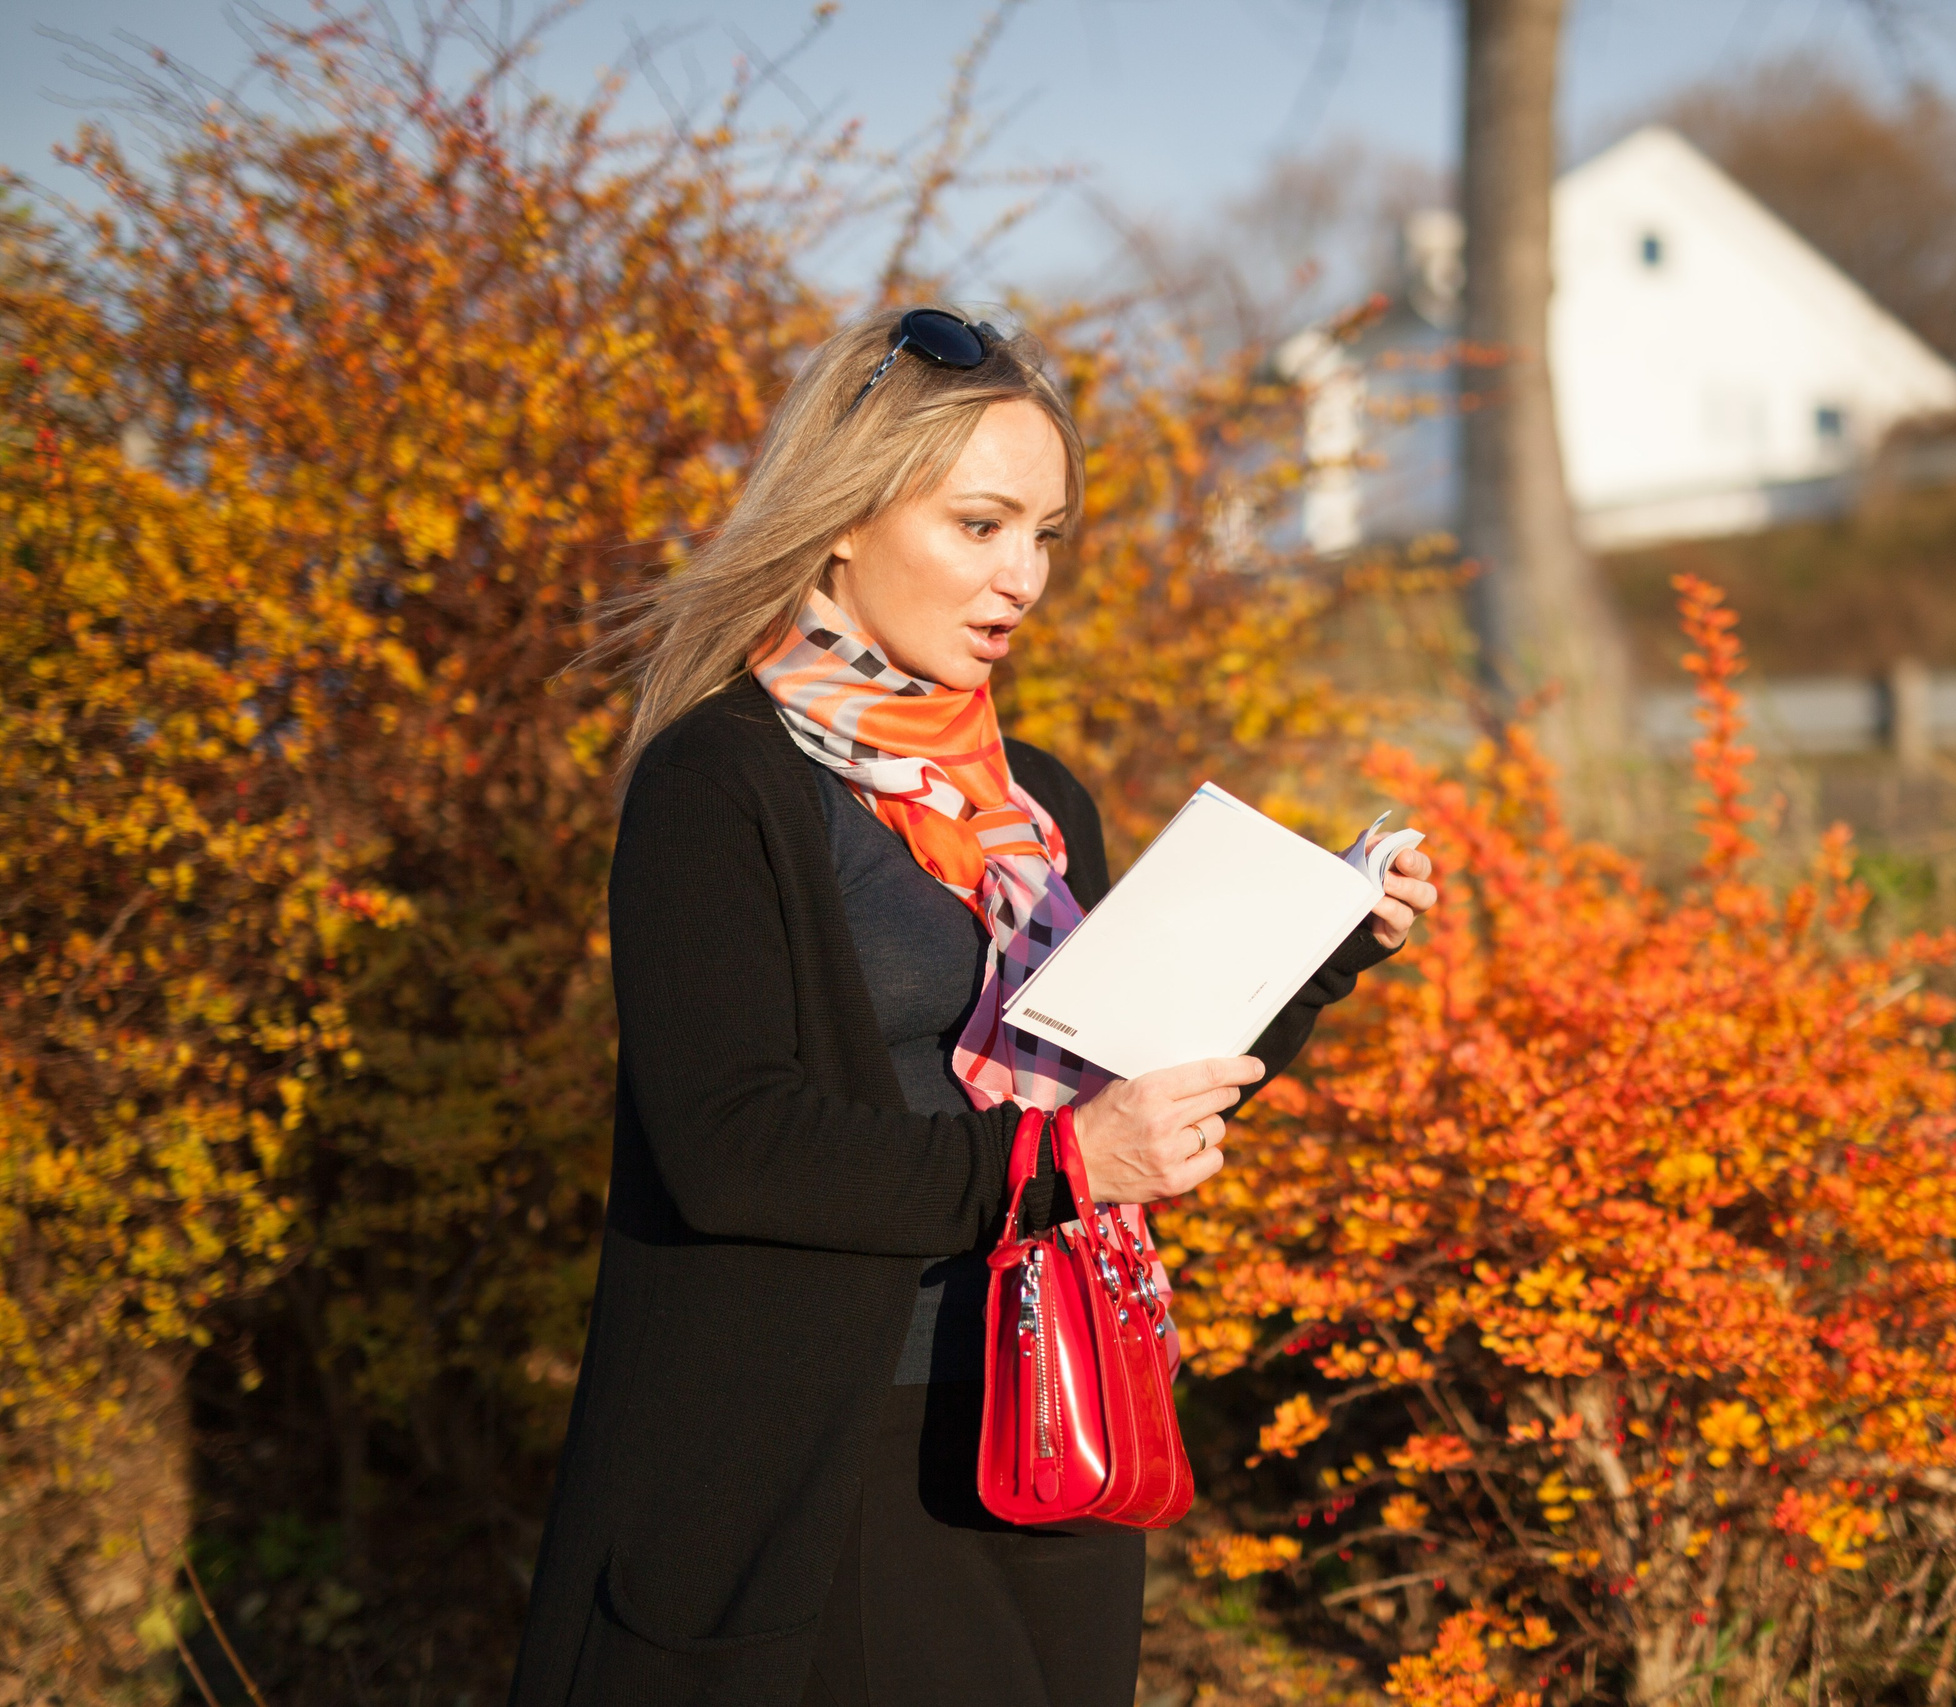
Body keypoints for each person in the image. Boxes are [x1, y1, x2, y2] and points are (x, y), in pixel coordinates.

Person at [506, 305, 1437, 1707]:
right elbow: (727, 1143)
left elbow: (1139, 1073)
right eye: (982, 526)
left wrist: (1325, 948)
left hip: (1058, 1401)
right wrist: (1062, 1161)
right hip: (833, 1452)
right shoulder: (722, 782)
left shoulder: (1036, 801)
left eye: (1046, 536)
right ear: (842, 519)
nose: (1023, 579)